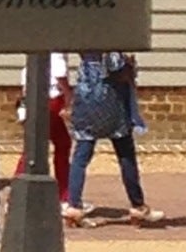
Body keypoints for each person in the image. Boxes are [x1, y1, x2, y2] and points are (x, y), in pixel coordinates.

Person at [63, 51, 163, 227]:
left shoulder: (85, 42)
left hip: (86, 101)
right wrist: (129, 67)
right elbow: (115, 69)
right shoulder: (112, 46)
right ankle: (138, 205)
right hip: (111, 104)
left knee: (80, 156)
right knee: (126, 156)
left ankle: (74, 206)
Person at [13, 51, 71, 202]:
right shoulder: (56, 50)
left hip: (34, 99)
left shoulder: (35, 49)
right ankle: (64, 195)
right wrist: (69, 97)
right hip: (51, 100)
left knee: (56, 144)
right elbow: (60, 73)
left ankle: (17, 194)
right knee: (42, 147)